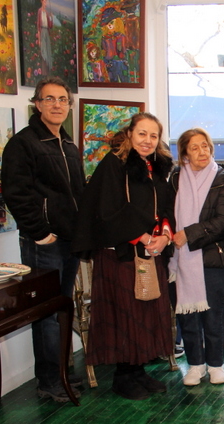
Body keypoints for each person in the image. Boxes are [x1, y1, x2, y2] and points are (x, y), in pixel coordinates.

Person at [72, 112, 175, 401]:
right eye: (142, 134)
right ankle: (123, 376)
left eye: (153, 135)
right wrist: (142, 237)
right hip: (121, 255)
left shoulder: (155, 167)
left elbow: (165, 207)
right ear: (129, 134)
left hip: (149, 253)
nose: (147, 140)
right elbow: (108, 210)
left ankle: (138, 371)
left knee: (144, 313)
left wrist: (165, 236)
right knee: (124, 313)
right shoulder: (113, 165)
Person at [1, 76, 85, 403]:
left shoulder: (68, 146)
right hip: (44, 244)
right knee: (46, 314)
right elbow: (15, 193)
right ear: (37, 104)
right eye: (49, 99)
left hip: (69, 242)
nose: (56, 105)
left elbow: (77, 194)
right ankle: (49, 381)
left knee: (62, 310)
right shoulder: (23, 144)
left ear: (69, 105)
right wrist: (40, 233)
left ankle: (62, 371)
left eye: (62, 99)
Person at [168, 128, 224, 386]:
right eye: (194, 148)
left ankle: (216, 364)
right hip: (181, 259)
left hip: (214, 257)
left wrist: (188, 234)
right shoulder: (175, 178)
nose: (202, 152)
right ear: (185, 153)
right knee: (188, 315)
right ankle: (195, 365)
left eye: (205, 145)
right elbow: (166, 214)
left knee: (214, 314)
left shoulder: (222, 178)